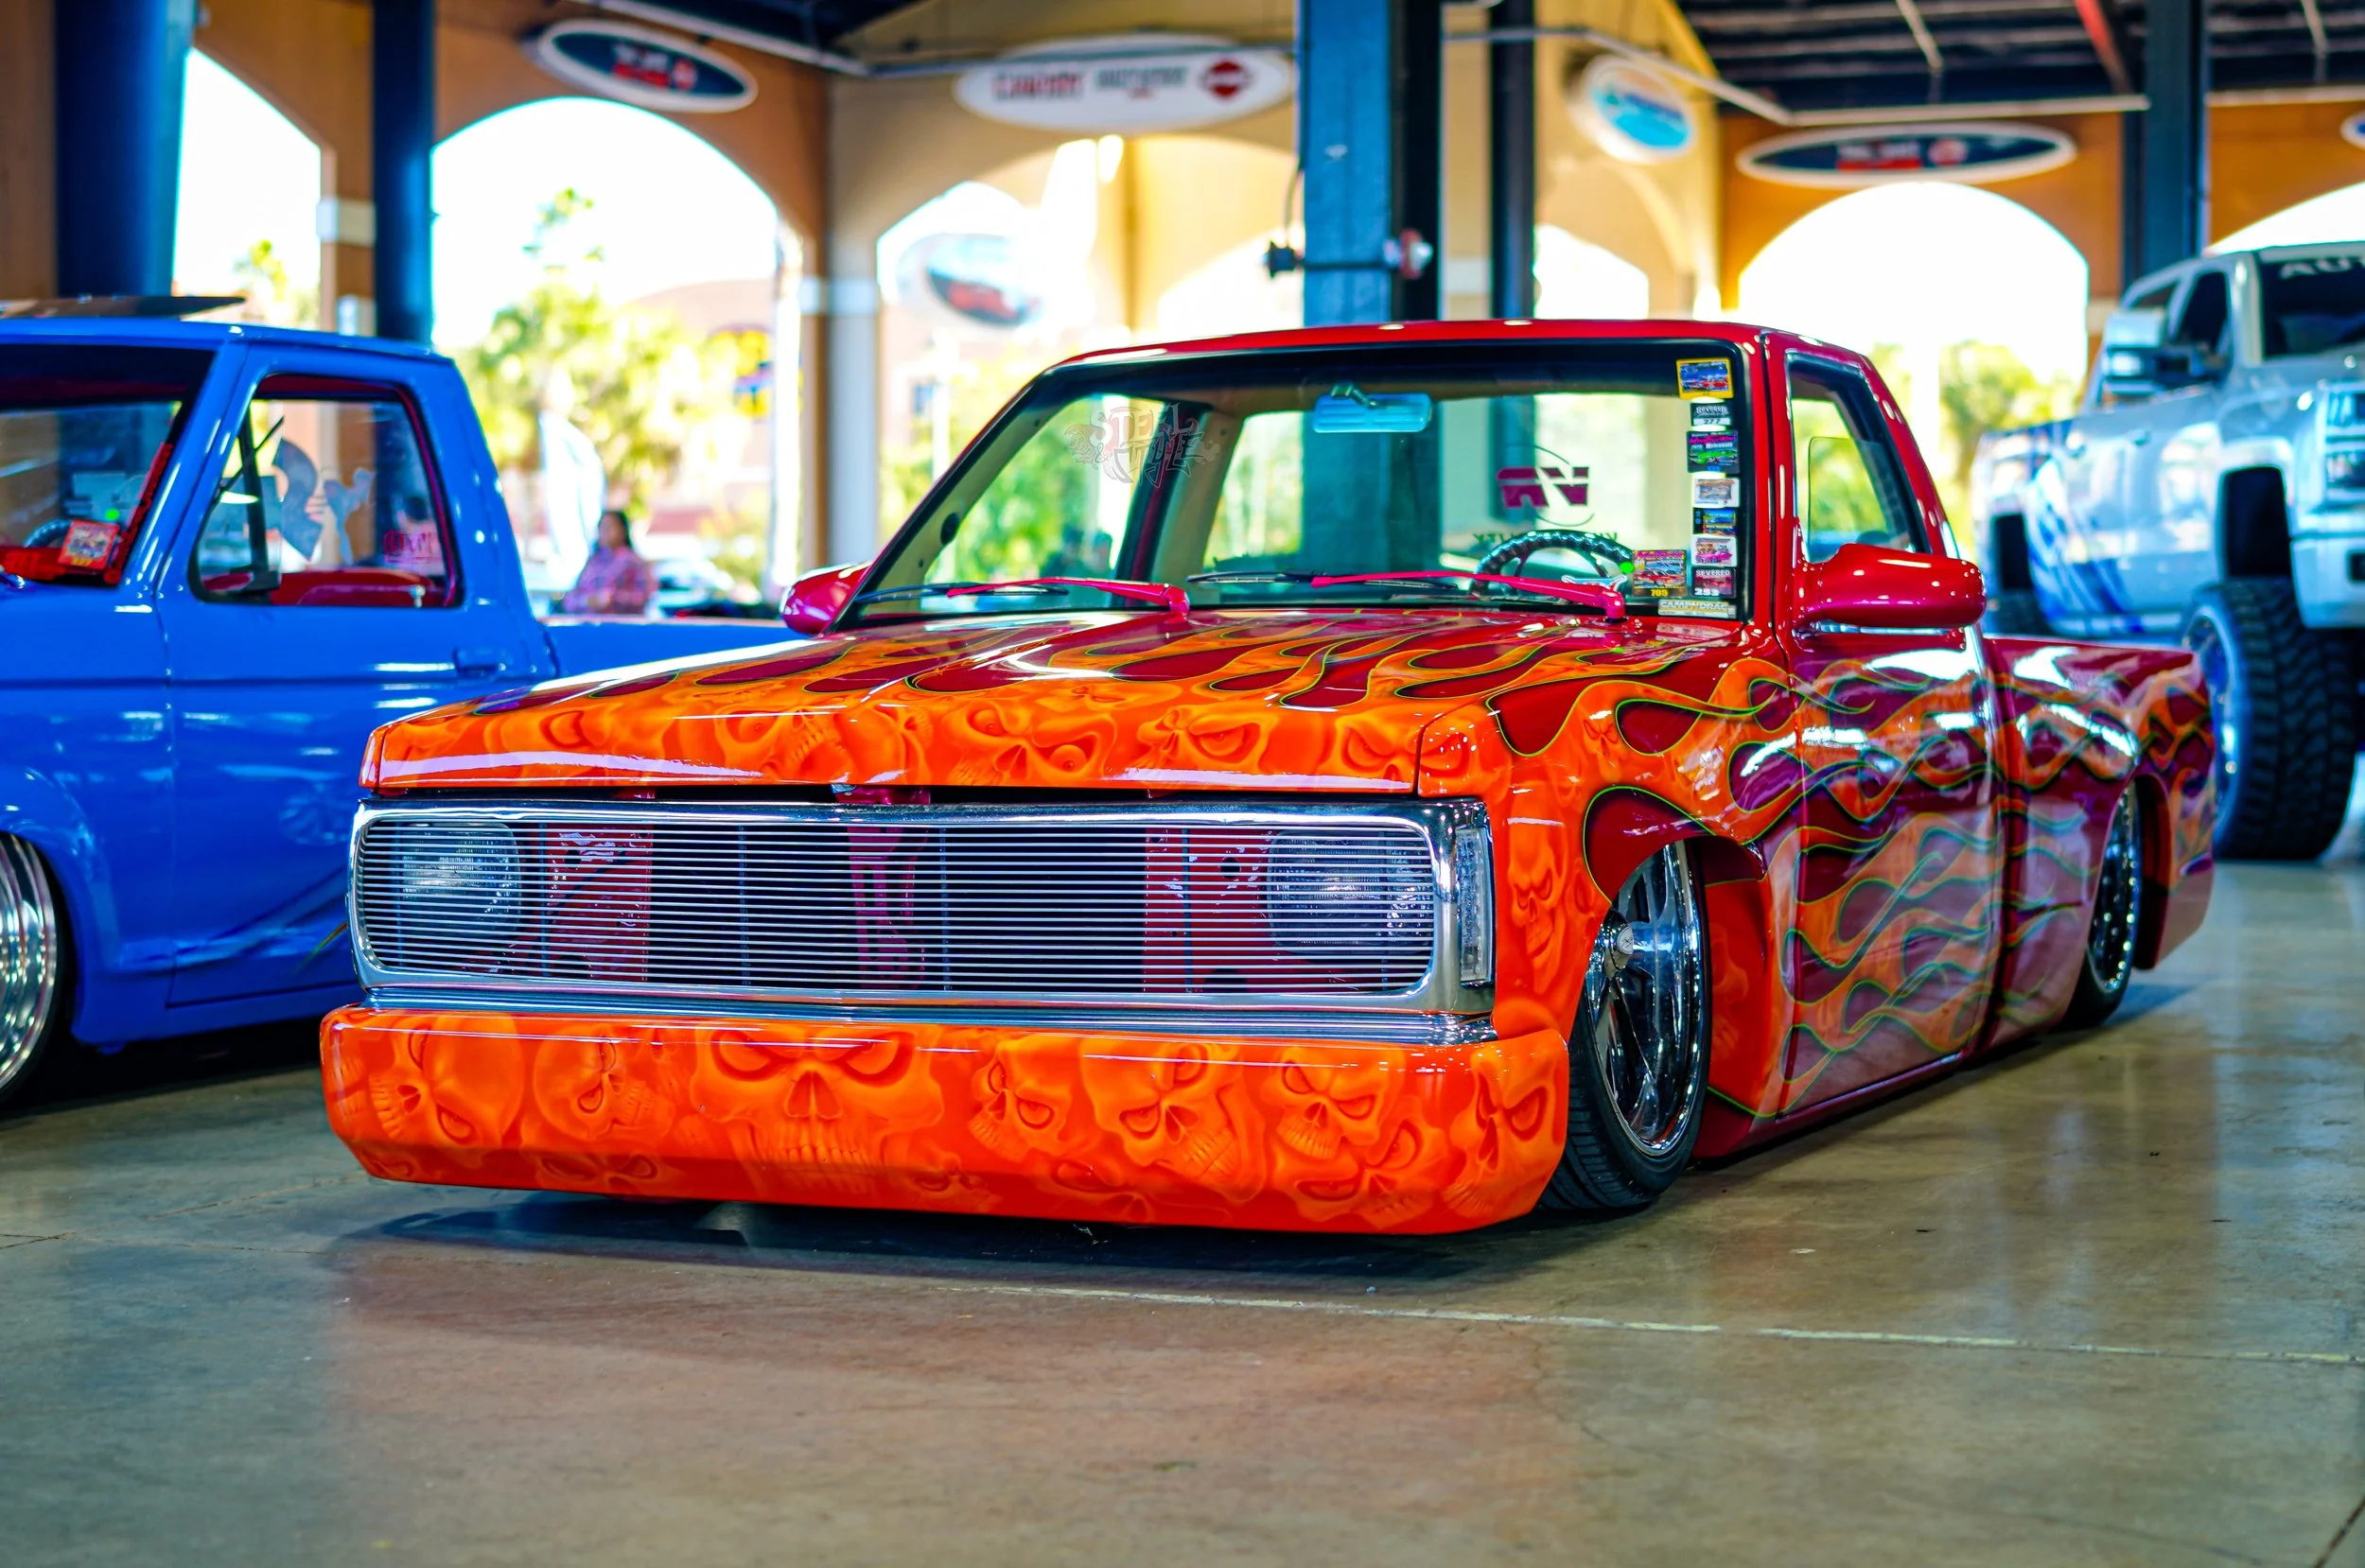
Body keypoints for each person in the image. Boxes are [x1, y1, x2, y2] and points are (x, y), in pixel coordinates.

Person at [563, 508, 657, 616]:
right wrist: (585, 601)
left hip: (622, 627)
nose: (605, 532)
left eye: (610, 527)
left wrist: (614, 598)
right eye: (602, 528)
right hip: (590, 626)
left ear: (622, 531)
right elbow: (570, 599)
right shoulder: (592, 562)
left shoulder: (634, 562)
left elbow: (647, 597)